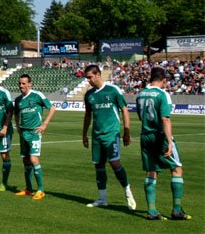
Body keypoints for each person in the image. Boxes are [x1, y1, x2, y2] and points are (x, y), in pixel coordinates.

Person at [136, 67, 191, 220]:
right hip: (159, 136)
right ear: (164, 80)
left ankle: (152, 211)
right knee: (176, 168)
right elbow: (165, 119)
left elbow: (141, 116)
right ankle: (177, 210)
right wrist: (169, 141)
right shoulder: (162, 94)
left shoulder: (140, 94)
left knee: (151, 170)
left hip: (145, 135)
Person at [82, 64, 136, 210]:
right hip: (97, 136)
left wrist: (126, 131)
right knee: (98, 166)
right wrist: (84, 134)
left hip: (112, 134)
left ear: (98, 75)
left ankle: (127, 191)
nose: (88, 80)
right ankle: (102, 198)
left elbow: (124, 110)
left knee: (114, 163)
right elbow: (88, 115)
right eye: (87, 78)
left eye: (90, 77)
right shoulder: (89, 95)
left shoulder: (113, 90)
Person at [13, 73, 56, 200]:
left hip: (35, 132)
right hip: (24, 133)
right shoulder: (18, 99)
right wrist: (18, 126)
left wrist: (45, 124)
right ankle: (28, 189)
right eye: (20, 83)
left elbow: (52, 108)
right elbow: (16, 114)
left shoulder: (37, 95)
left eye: (24, 83)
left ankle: (41, 190)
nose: (21, 86)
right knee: (25, 161)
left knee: (34, 160)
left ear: (30, 84)